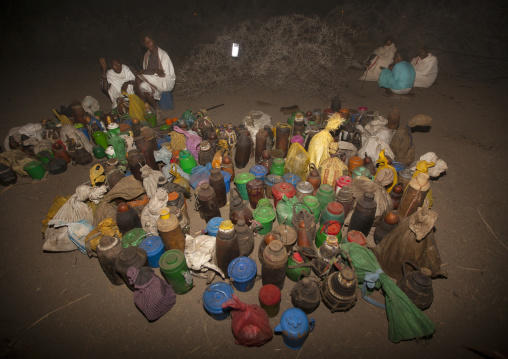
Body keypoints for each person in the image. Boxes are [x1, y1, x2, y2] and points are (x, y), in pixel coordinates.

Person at [134, 35, 176, 114]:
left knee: (138, 78)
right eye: (145, 42)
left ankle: (145, 107)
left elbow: (163, 74)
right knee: (143, 86)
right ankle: (157, 109)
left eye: (149, 41)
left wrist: (144, 72)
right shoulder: (147, 55)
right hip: (154, 80)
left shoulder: (163, 54)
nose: (148, 44)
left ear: (154, 41)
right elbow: (146, 71)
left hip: (165, 80)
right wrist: (151, 70)